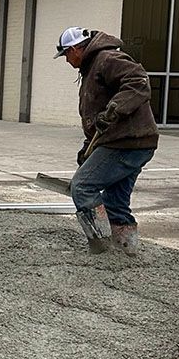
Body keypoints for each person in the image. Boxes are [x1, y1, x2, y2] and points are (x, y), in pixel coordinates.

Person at [55, 26, 159, 256]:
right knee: (115, 203)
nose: (66, 61)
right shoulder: (93, 66)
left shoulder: (107, 58)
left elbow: (139, 81)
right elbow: (99, 118)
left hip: (127, 142)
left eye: (66, 55)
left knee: (82, 187)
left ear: (74, 49)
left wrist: (115, 110)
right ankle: (126, 252)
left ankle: (101, 247)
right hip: (130, 141)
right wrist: (88, 147)